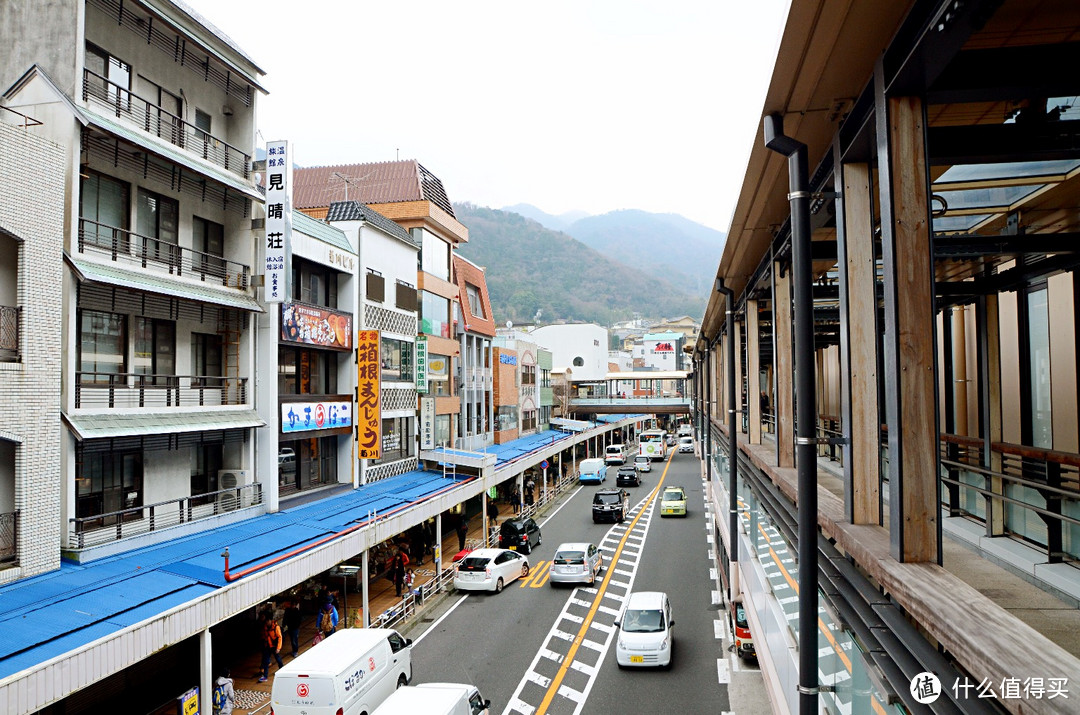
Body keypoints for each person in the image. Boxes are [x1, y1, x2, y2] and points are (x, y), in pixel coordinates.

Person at [258, 613, 283, 683]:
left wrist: (278, 648)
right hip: (268, 646)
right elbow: (265, 636)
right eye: (266, 621)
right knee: (266, 661)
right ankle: (265, 676)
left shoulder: (276, 627)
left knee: (278, 659)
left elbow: (280, 637)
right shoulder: (265, 627)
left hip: (274, 647)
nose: (266, 623)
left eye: (267, 621)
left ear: (270, 620)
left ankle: (282, 670)